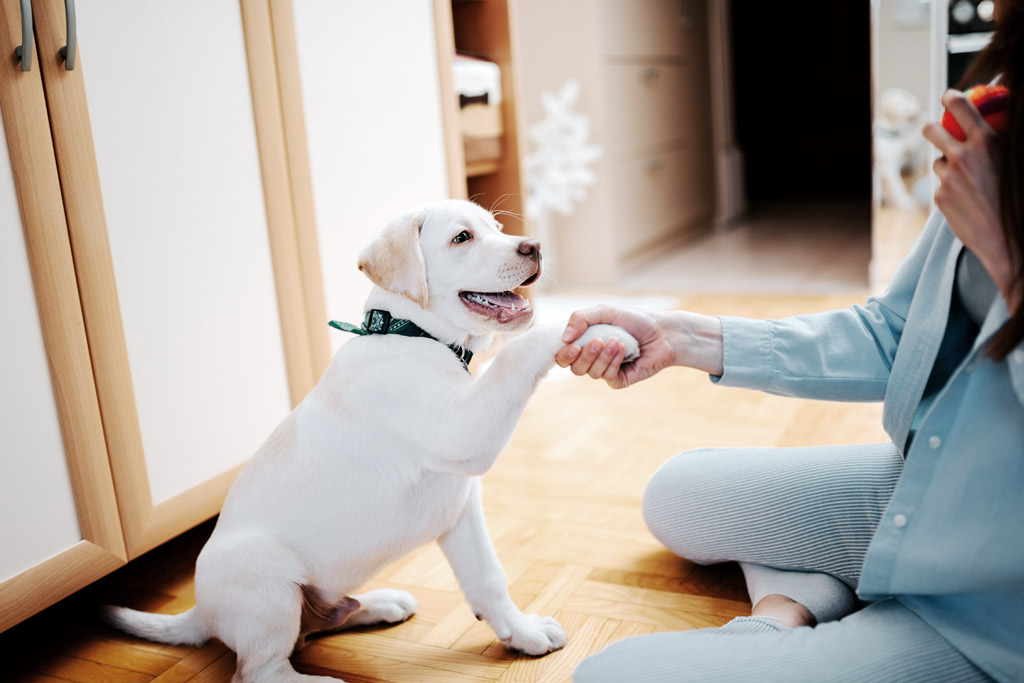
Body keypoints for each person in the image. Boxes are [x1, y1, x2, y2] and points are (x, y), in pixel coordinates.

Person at [556, 1, 1024, 680]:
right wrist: (682, 336)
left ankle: (805, 617)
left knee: (606, 675)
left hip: (997, 605)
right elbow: (894, 332)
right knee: (679, 493)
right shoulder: (999, 134)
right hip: (937, 487)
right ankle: (801, 600)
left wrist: (1010, 261)